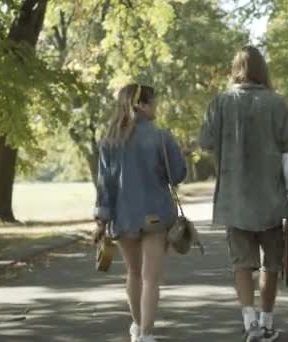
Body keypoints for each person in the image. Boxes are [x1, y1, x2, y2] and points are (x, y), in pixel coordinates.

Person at [199, 46, 288, 342]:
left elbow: (205, 142)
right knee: (272, 264)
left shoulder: (219, 103)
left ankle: (249, 324)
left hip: (235, 199)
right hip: (272, 199)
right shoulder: (277, 103)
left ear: (236, 69)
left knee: (241, 264)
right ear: (262, 70)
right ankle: (267, 321)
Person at [93, 83, 187, 342]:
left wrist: (101, 220)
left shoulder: (110, 141)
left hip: (123, 218)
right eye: (153, 102)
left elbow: (105, 186)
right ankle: (146, 334)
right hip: (156, 216)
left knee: (134, 274)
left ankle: (137, 328)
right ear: (141, 105)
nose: (156, 106)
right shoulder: (161, 137)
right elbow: (177, 175)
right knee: (150, 278)